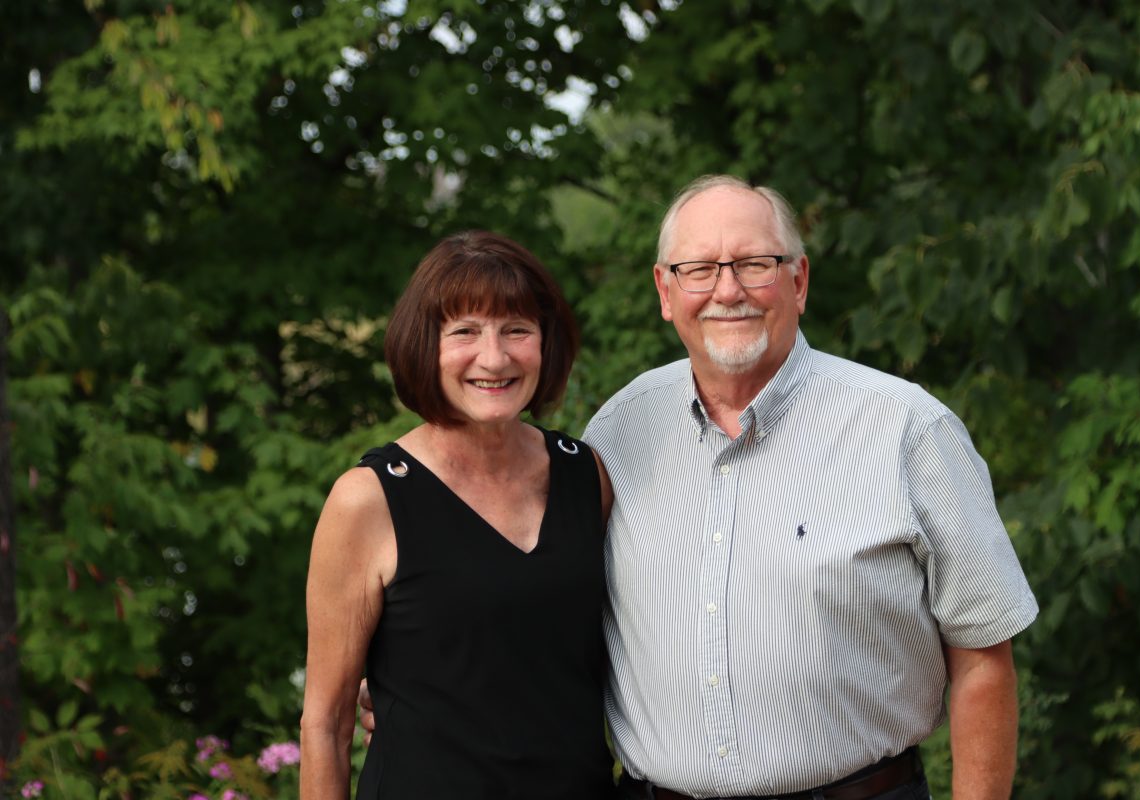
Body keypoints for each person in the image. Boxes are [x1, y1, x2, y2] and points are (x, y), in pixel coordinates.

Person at [362, 176, 1038, 799]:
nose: (728, 290)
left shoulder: (908, 431)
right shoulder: (617, 434)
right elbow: (542, 605)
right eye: (700, 269)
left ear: (799, 280)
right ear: (665, 291)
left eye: (754, 264)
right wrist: (416, 680)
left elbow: (983, 658)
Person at [300, 231, 616, 800]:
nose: (494, 357)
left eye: (516, 329)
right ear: (424, 346)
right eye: (465, 331)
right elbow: (326, 724)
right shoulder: (369, 500)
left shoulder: (585, 475)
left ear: (546, 343)